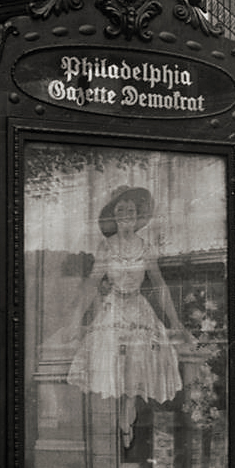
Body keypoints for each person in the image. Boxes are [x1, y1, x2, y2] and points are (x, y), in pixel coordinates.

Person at [62, 185, 192, 446]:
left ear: (137, 216)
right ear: (114, 215)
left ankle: (127, 421)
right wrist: (75, 319)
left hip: (139, 310)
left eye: (130, 210)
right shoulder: (106, 247)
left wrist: (175, 322)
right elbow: (91, 284)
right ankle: (112, 431)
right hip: (113, 309)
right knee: (110, 364)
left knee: (135, 365)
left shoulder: (146, 248)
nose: (125, 214)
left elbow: (160, 286)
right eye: (121, 209)